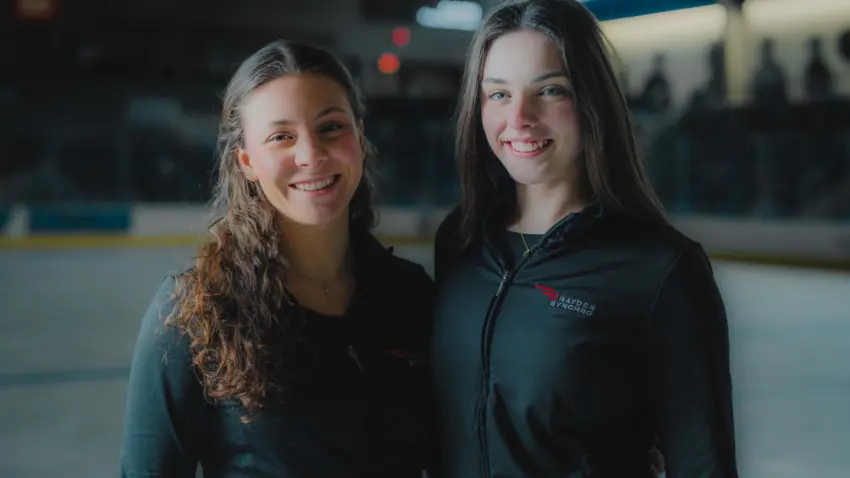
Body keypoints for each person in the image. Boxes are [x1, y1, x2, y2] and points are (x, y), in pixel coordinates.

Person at [430, 1, 738, 477]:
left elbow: (704, 465)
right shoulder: (460, 241)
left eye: (550, 90)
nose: (520, 118)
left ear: (591, 99)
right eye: (498, 95)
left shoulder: (659, 269)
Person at [120, 40, 434, 477]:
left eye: (330, 127)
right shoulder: (196, 311)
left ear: (360, 138)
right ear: (246, 161)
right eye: (281, 136)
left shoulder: (411, 295)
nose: (311, 155)